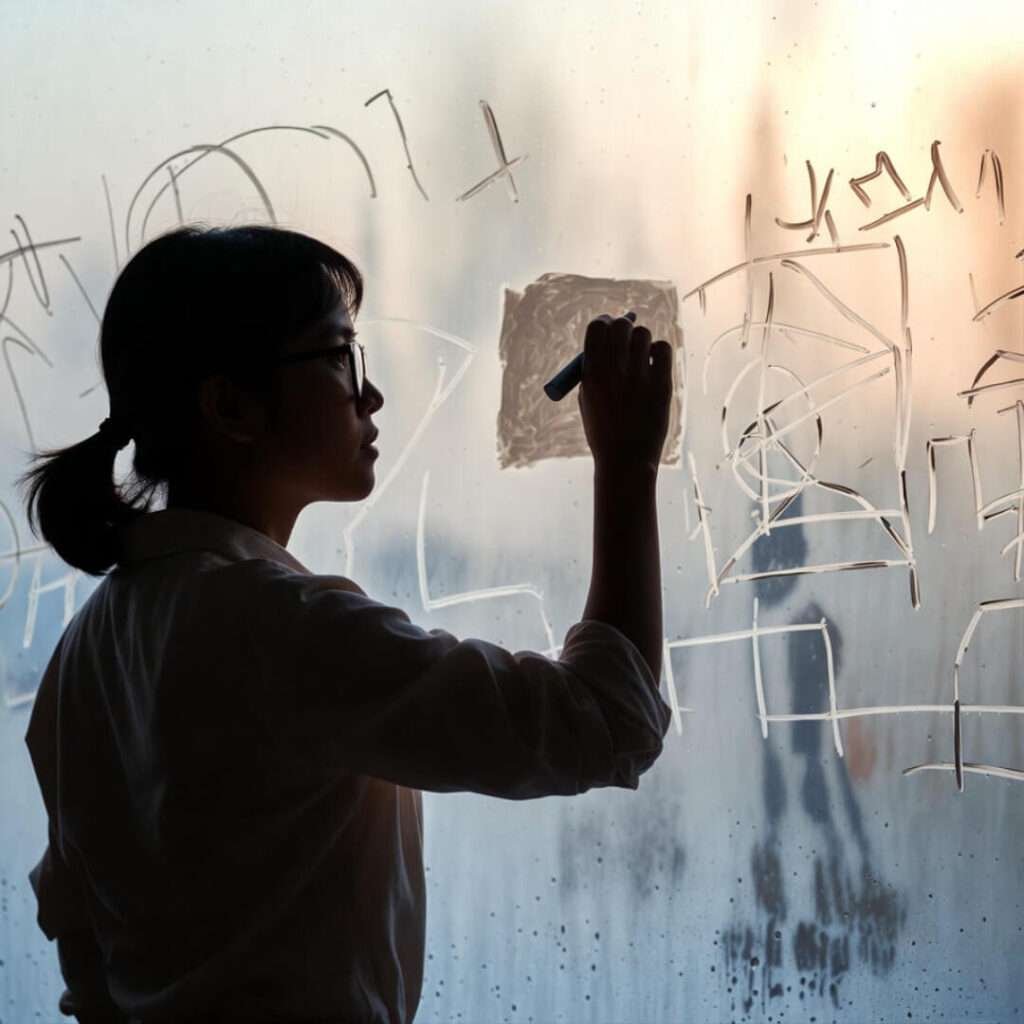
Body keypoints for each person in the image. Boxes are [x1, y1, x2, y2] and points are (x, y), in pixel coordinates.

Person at [17, 224, 675, 1024]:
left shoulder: (86, 651)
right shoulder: (278, 628)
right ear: (230, 406)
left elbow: (81, 941)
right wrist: (629, 464)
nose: (371, 395)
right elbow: (606, 718)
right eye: (338, 356)